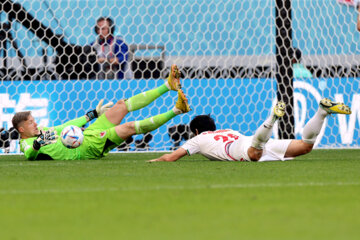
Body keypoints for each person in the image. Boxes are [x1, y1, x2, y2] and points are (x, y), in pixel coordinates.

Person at [12, 65, 190, 161]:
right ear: (21, 130)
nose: (35, 124)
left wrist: (92, 115)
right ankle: (176, 110)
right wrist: (36, 145)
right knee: (128, 127)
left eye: (34, 120)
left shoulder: (42, 131)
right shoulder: (26, 143)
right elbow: (29, 154)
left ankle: (168, 85)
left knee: (121, 105)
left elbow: (63, 127)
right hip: (88, 148)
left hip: (87, 134)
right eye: (30, 122)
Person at [148, 98, 351, 163]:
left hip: (241, 147)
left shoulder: (197, 139)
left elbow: (171, 157)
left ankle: (272, 119)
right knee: (305, 146)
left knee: (254, 152)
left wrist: (155, 160)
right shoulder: (226, 129)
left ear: (195, 130)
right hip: (247, 139)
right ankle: (322, 112)